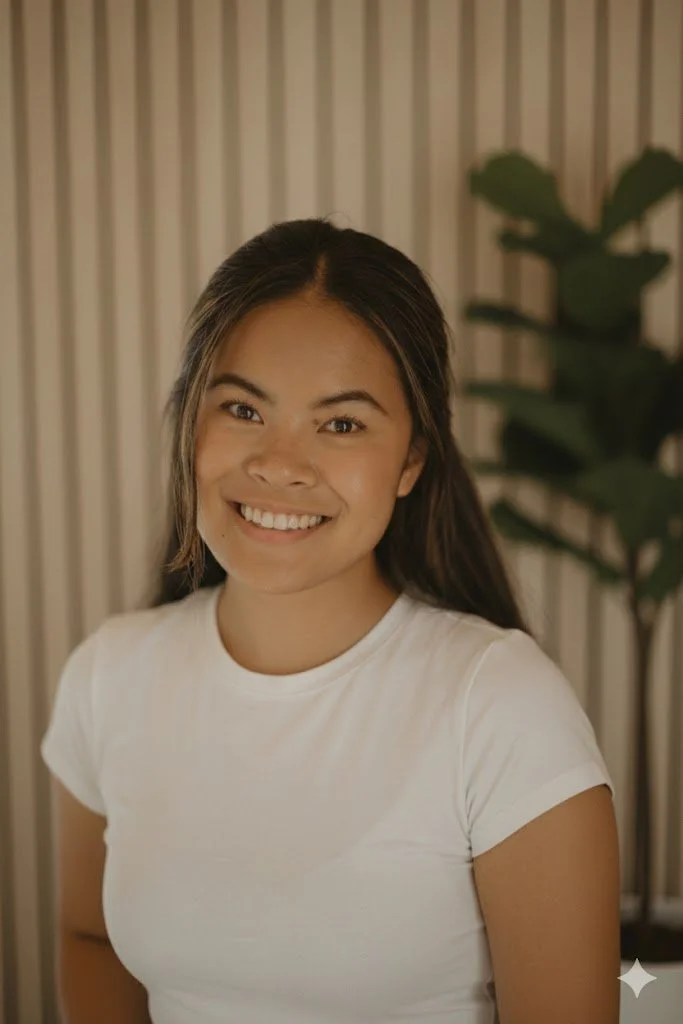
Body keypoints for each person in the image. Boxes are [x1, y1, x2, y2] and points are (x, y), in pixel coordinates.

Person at [41, 217, 621, 1024]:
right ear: (188, 423)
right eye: (243, 409)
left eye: (341, 423)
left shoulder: (500, 707)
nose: (280, 464)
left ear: (412, 457)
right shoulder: (109, 676)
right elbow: (88, 938)